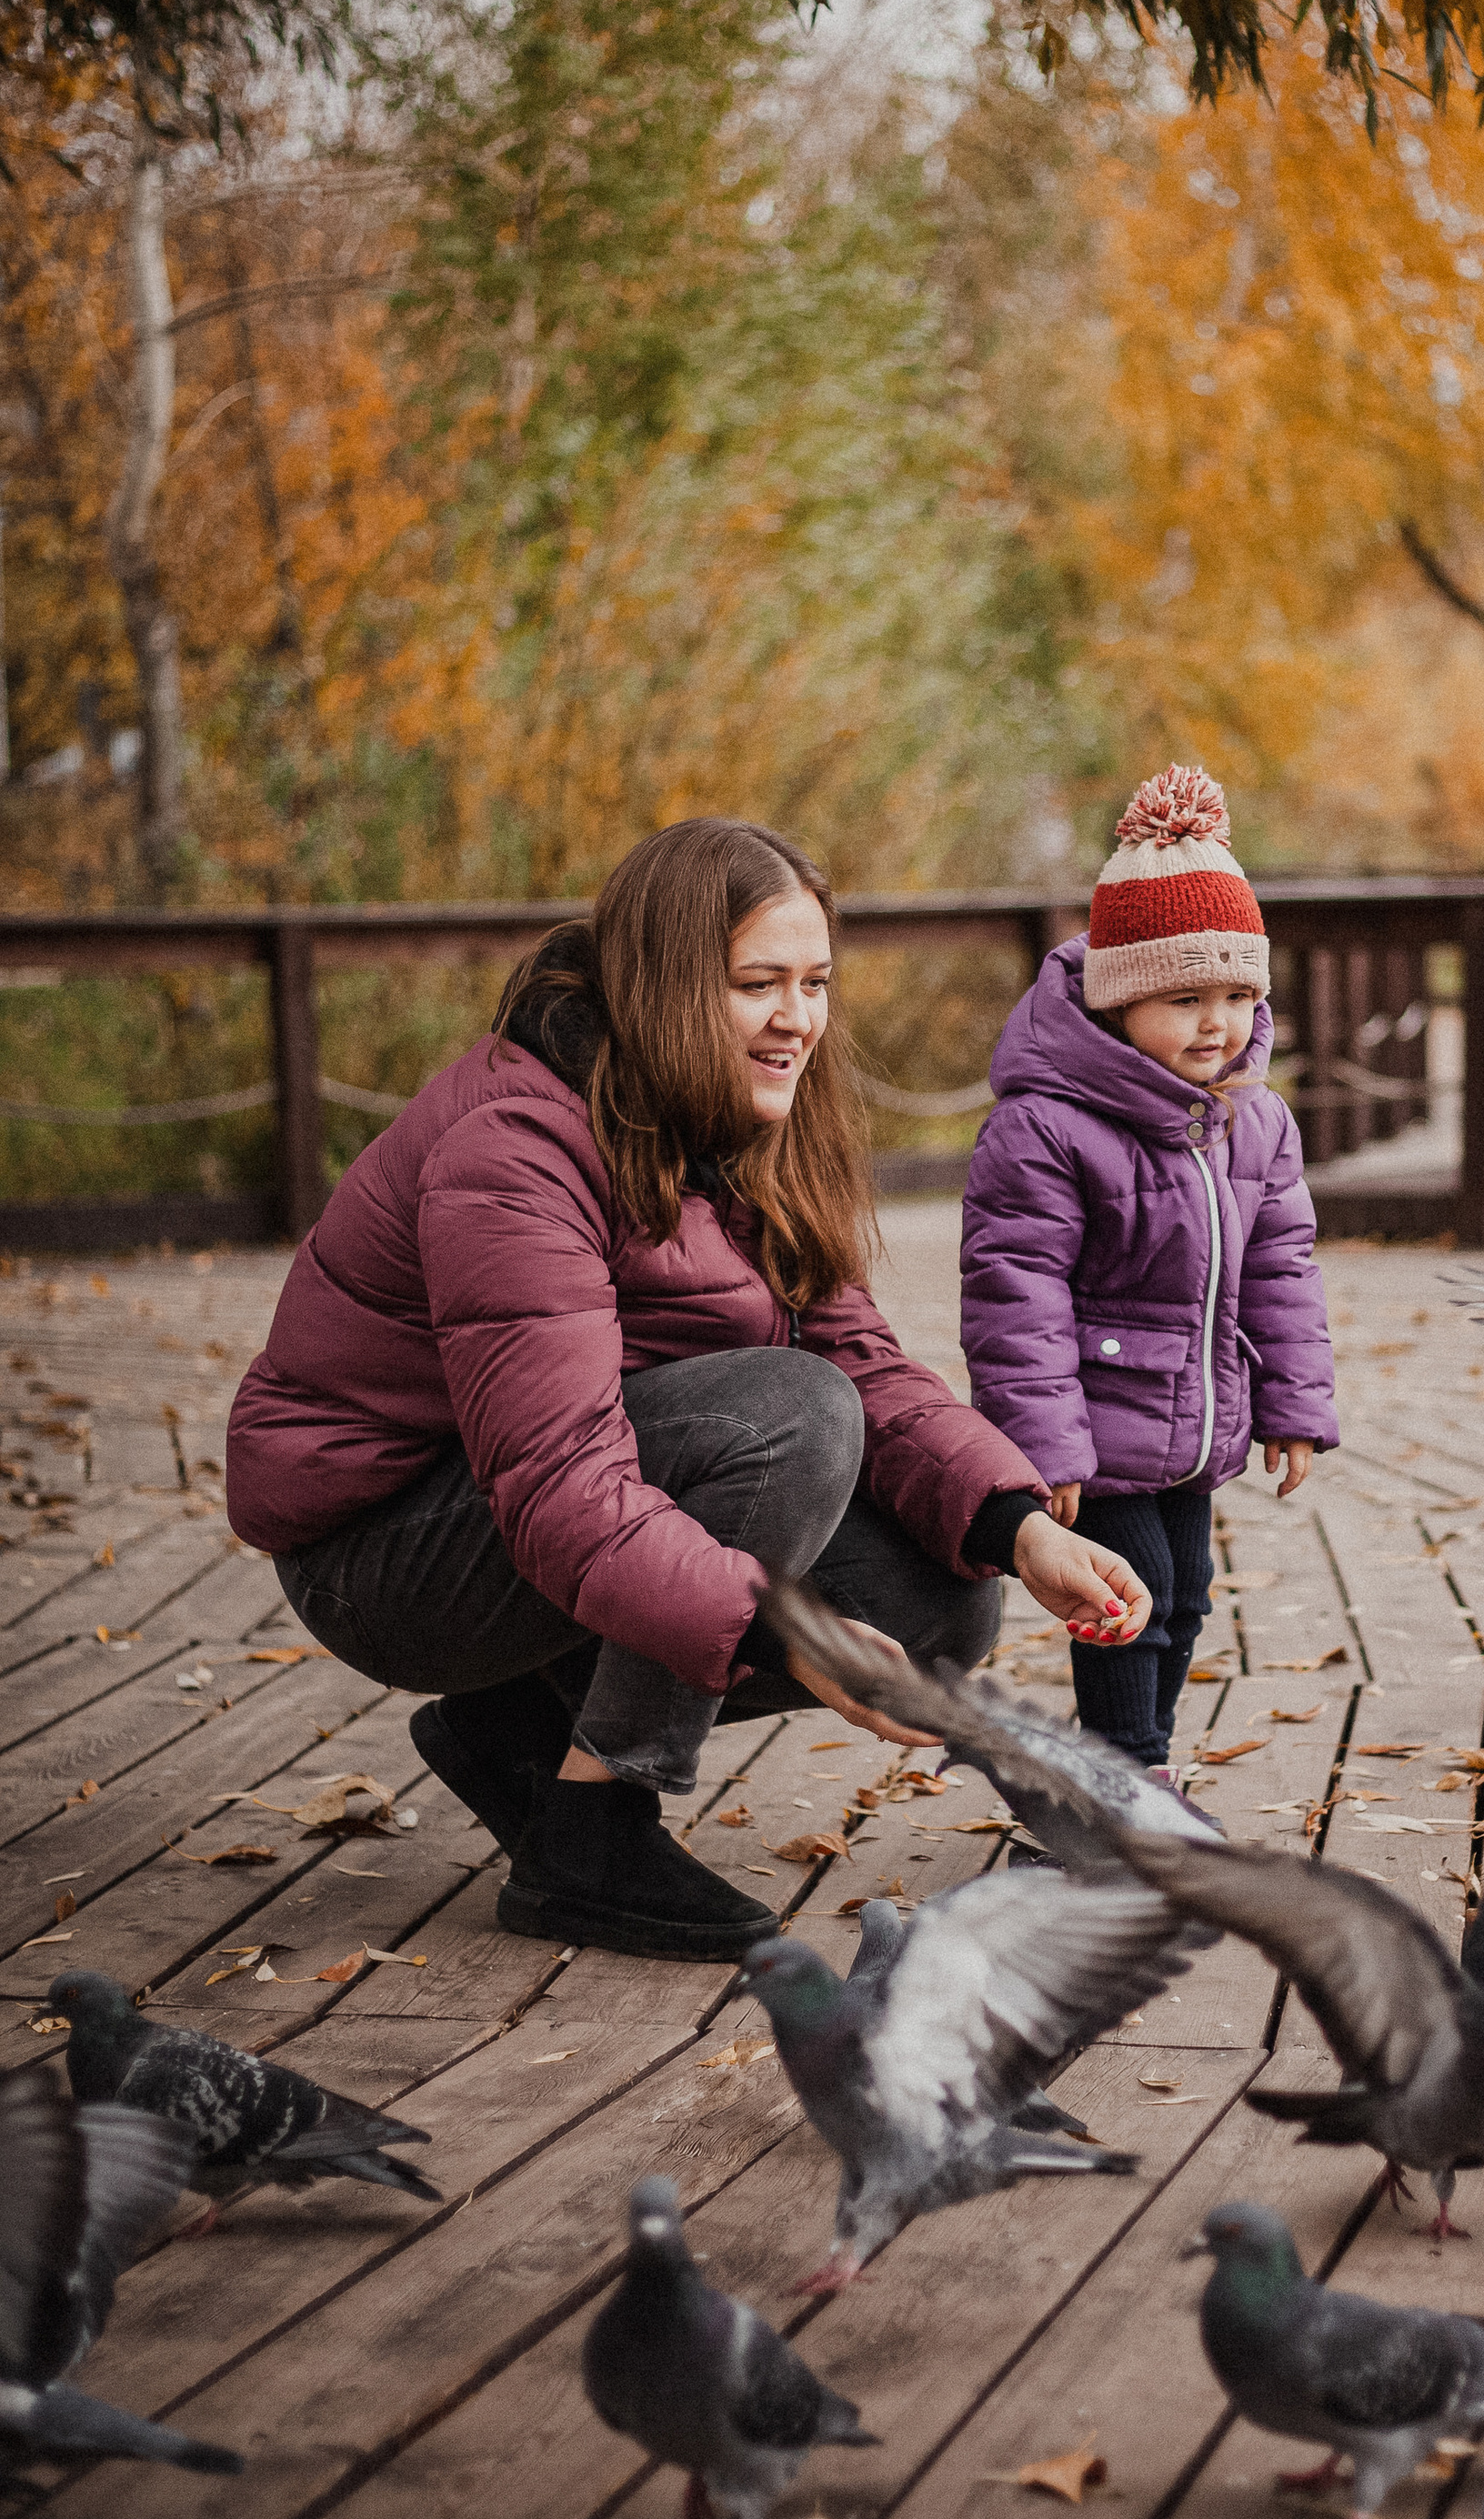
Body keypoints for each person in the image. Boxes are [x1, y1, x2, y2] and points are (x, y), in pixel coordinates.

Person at [226, 818, 1148, 1963]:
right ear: (664, 991)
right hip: (383, 1550)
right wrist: (793, 1635)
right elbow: (562, 1484)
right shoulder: (514, 1143)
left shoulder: (750, 1115)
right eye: (757, 984)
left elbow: (861, 1355)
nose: (797, 1019)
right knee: (790, 1419)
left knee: (941, 1597)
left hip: (536, 1511)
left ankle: (521, 1729)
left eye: (813, 983)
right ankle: (591, 1834)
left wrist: (1014, 1527)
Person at [957, 767, 1338, 1776]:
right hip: (1096, 1423)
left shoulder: (1254, 1118)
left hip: (1200, 1414)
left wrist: (1292, 1403)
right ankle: (1123, 1781)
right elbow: (1014, 1295)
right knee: (1133, 1594)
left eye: (1235, 994)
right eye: (1184, 998)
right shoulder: (1044, 1127)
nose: (1216, 1023)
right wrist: (1047, 1444)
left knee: (1188, 1594)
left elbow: (1281, 1266)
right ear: (1120, 997)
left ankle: (1139, 1769)